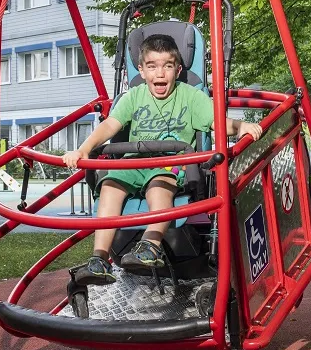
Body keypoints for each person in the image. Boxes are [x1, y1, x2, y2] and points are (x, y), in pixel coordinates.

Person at [63, 34, 263, 285]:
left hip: (169, 163)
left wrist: (241, 125)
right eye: (152, 66)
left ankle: (151, 246)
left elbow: (217, 122)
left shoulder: (191, 96)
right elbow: (110, 125)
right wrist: (84, 149)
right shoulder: (133, 97)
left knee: (159, 186)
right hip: (134, 162)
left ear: (177, 70)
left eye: (167, 66)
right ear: (141, 70)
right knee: (110, 185)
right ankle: (100, 258)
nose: (160, 73)